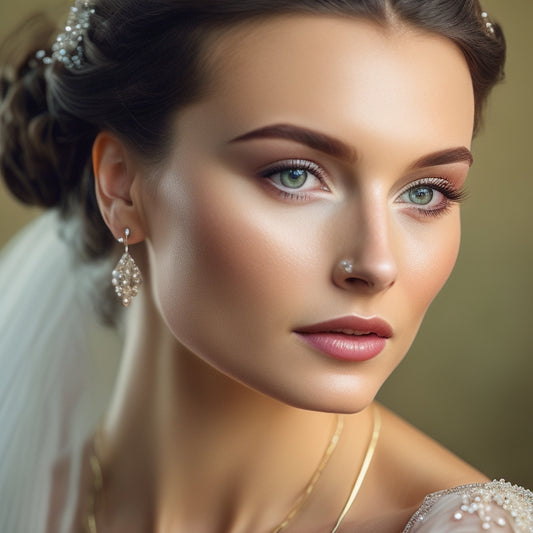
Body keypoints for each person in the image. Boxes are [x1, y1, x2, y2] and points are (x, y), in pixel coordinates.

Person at [0, 0, 530, 532]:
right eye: (295, 176)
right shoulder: (25, 489)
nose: (376, 263)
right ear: (121, 186)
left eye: (425, 192)